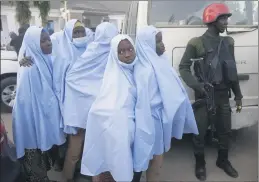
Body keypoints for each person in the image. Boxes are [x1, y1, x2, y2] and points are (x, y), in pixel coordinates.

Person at [179, 3, 243, 181]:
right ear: (212, 20)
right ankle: (200, 164)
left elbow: (232, 69)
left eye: (226, 18)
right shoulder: (196, 43)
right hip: (205, 96)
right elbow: (183, 68)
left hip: (223, 95)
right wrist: (198, 86)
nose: (226, 22)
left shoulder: (228, 42)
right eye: (223, 18)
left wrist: (238, 94)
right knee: (199, 132)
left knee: (225, 131)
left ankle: (223, 160)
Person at [133, 25, 199, 182]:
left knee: (155, 160)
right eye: (157, 41)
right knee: (147, 160)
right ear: (147, 44)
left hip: (159, 121)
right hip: (148, 123)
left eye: (161, 40)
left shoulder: (160, 62)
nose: (163, 45)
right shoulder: (144, 71)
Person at [62, 22, 118, 182]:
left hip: (83, 111)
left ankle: (68, 177)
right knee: (97, 149)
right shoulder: (114, 53)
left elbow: (73, 78)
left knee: (76, 148)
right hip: (102, 111)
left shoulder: (91, 51)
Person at [80, 34, 140, 182]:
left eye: (129, 49)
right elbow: (104, 107)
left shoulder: (140, 68)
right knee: (116, 166)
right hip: (118, 134)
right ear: (114, 53)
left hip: (135, 132)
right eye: (121, 51)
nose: (127, 54)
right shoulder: (112, 76)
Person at [12, 26, 66, 182]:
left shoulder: (44, 60)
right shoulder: (30, 67)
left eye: (48, 39)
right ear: (34, 44)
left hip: (41, 120)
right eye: (42, 41)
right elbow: (34, 102)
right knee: (35, 156)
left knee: (43, 156)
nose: (48, 43)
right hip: (32, 123)